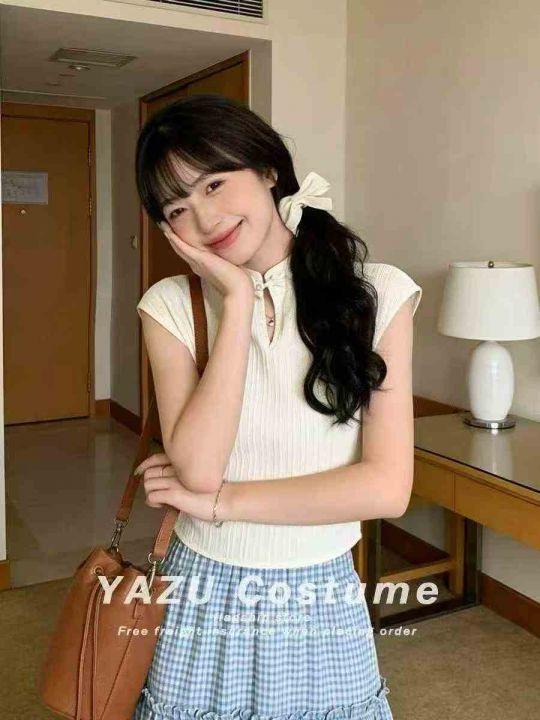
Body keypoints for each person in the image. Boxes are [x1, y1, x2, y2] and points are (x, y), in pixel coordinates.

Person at [132, 93, 422, 720]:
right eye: (178, 208)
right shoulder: (171, 306)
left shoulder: (377, 294)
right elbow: (199, 470)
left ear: (268, 169)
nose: (205, 218)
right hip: (203, 583)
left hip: (319, 589)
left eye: (214, 183)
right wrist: (236, 302)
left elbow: (386, 488)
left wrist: (222, 504)